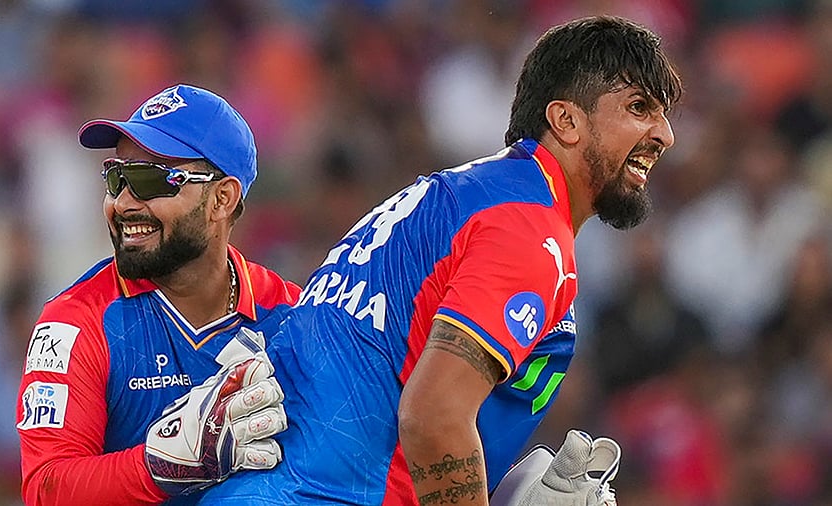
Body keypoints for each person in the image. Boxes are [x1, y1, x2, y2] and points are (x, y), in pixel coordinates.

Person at [191, 15, 682, 505]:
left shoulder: (454, 197)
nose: (665, 135)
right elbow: (434, 415)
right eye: (639, 108)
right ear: (566, 121)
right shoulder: (528, 229)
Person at [15, 84, 301, 505]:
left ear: (222, 198)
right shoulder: (75, 320)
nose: (122, 203)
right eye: (117, 177)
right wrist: (163, 464)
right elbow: (46, 488)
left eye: (150, 180)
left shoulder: (291, 315)